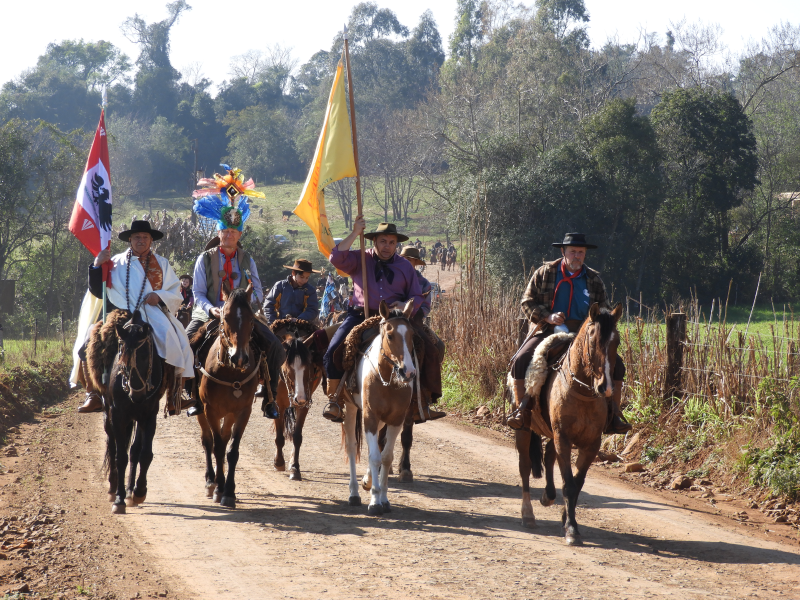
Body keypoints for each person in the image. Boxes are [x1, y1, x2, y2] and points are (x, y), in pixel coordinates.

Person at [186, 165, 286, 419]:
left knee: (274, 345)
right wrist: (213, 309)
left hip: (241, 315)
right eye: (225, 231)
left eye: (233, 232)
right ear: (218, 232)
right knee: (186, 343)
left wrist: (251, 306)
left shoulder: (247, 258)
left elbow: (260, 288)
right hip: (209, 313)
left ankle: (270, 397)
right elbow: (197, 292)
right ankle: (191, 395)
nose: (229, 235)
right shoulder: (204, 259)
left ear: (239, 234)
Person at [508, 232, 630, 434]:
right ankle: (521, 410)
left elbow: (606, 309)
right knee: (521, 359)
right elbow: (527, 302)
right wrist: (547, 316)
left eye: (581, 252)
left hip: (586, 336)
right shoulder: (544, 273)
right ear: (563, 252)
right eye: (573, 251)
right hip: (548, 330)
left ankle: (614, 414)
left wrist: (600, 322)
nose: (577, 256)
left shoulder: (594, 279)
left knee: (618, 366)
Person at [70, 220, 195, 413]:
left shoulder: (162, 263)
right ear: (130, 239)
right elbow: (97, 289)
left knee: (177, 339)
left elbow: (174, 292)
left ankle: (174, 395)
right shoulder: (114, 262)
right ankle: (93, 394)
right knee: (91, 337)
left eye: (145, 237)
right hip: (119, 313)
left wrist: (159, 296)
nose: (141, 241)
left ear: (151, 240)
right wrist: (97, 264)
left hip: (153, 313)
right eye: (137, 237)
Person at [322, 220, 424, 422]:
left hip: (396, 319)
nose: (387, 246)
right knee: (333, 350)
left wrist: (404, 305)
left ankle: (423, 402)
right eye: (383, 241)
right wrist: (354, 232)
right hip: (361, 315)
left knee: (430, 346)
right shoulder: (360, 258)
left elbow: (417, 296)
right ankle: (335, 400)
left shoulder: (405, 266)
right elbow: (336, 257)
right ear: (374, 242)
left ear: (397, 245)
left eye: (392, 242)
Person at [398, 245, 446, 421]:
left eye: (412, 261)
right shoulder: (392, 276)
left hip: (415, 322)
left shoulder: (423, 283)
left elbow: (426, 307)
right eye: (406, 260)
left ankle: (425, 399)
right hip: (392, 320)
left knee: (436, 348)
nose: (408, 263)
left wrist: (414, 313)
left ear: (416, 263)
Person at [263, 259, 321, 324]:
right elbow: (269, 306)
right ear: (293, 273)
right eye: (302, 277)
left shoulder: (310, 290)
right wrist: (274, 323)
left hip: (302, 326)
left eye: (307, 278)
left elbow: (312, 310)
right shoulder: (280, 286)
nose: (304, 280)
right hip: (280, 325)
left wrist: (298, 320)